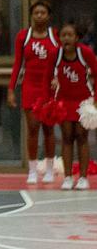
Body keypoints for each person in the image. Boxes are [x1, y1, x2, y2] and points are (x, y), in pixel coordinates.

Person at [8, 1, 60, 185]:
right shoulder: (23, 36)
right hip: (30, 86)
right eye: (36, 13)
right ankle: (32, 170)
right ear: (32, 15)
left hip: (49, 88)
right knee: (32, 127)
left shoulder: (55, 36)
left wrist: (58, 78)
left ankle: (49, 168)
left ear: (48, 16)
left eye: (43, 13)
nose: (39, 16)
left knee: (48, 129)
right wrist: (11, 90)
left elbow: (62, 62)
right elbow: (17, 64)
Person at [51, 22, 96, 191]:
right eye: (63, 35)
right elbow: (47, 77)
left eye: (70, 35)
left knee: (82, 136)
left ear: (76, 38)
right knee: (67, 137)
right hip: (64, 100)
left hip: (83, 101)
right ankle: (68, 177)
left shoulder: (85, 53)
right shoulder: (56, 54)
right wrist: (48, 100)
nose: (66, 38)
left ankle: (83, 178)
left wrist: (95, 100)